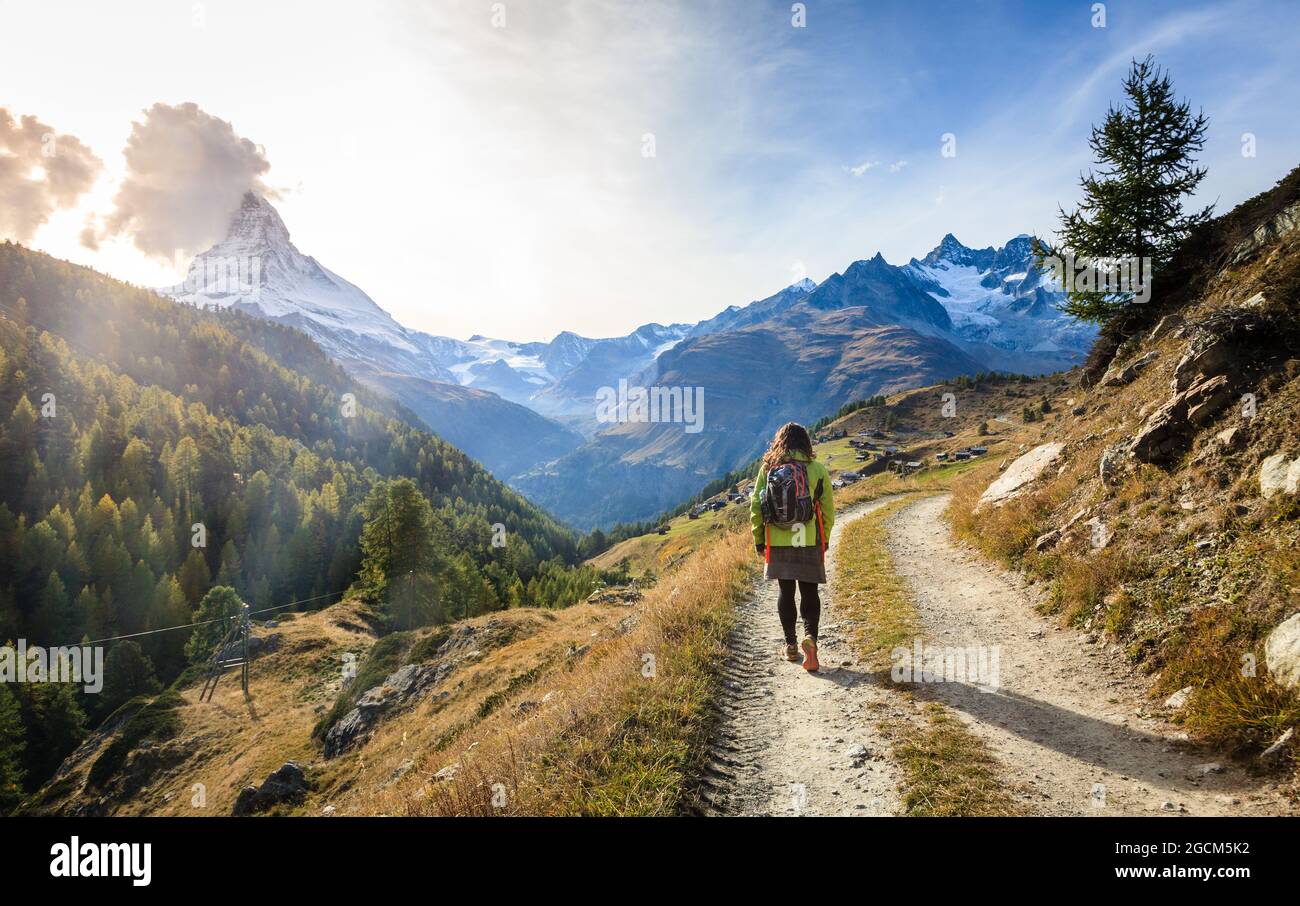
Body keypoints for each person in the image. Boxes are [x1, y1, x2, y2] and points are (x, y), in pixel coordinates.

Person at [749, 422, 835, 672]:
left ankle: (790, 645)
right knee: (810, 593)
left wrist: (759, 540)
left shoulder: (768, 469)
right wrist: (825, 537)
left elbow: (756, 506)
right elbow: (828, 508)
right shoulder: (817, 469)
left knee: (785, 593)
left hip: (778, 541)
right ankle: (812, 639)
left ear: (779, 442)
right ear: (805, 443)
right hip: (808, 539)